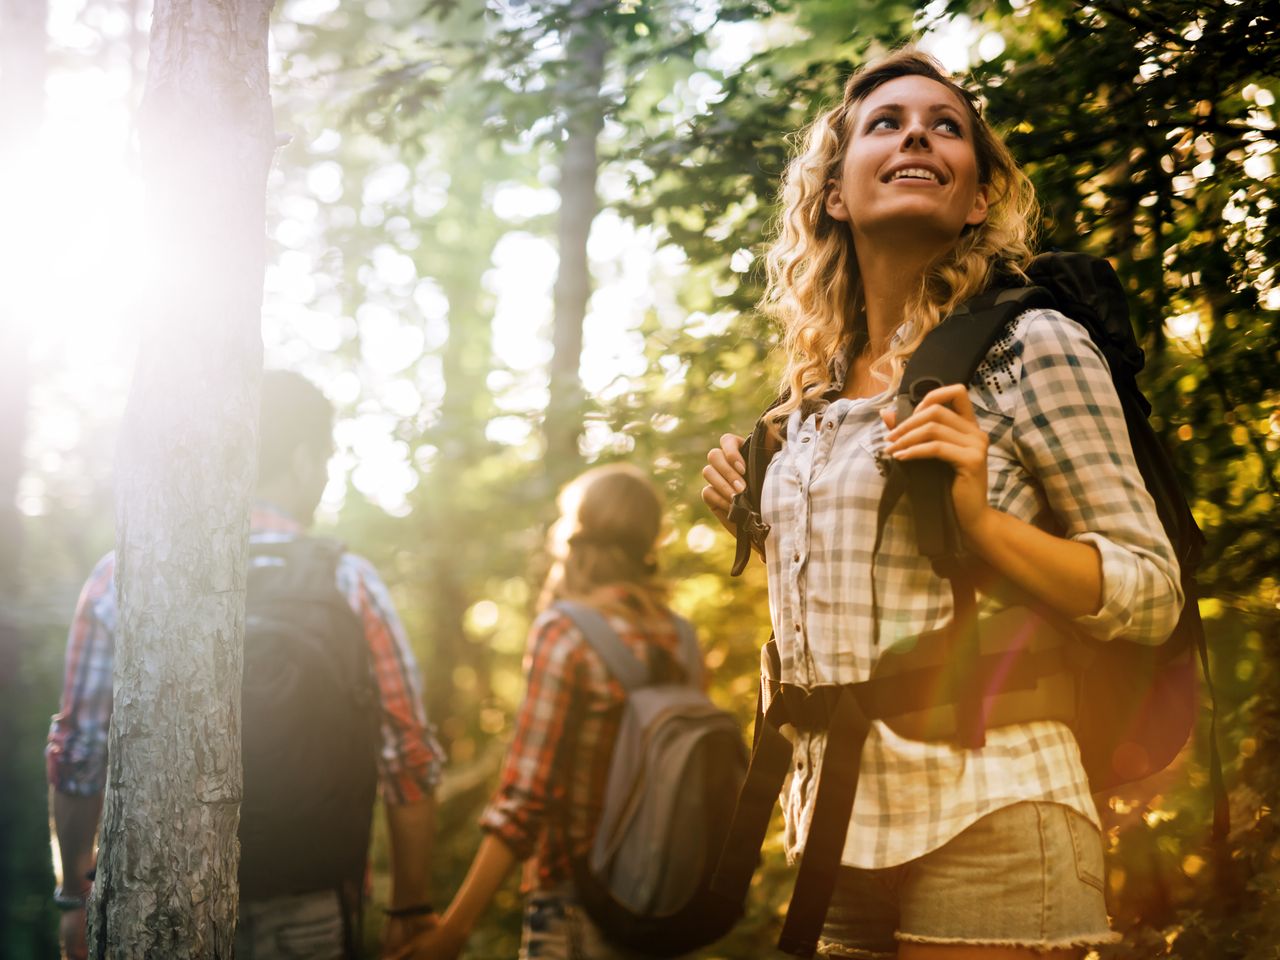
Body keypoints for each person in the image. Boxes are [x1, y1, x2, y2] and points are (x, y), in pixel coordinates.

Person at [700, 50, 1182, 959]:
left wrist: (983, 519)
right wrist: (753, 513)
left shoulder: (1033, 346)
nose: (917, 131)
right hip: (837, 829)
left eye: (946, 126)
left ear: (974, 199)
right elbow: (872, 608)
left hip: (995, 808)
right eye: (885, 123)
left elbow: (1152, 591)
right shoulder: (806, 405)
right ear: (835, 194)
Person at [46, 370, 445, 960]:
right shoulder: (350, 582)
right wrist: (411, 908)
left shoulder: (124, 573)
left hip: (158, 901)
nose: (328, 475)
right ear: (306, 457)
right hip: (311, 900)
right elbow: (408, 757)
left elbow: (80, 753)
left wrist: (77, 894)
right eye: (327, 458)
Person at [392, 464, 693, 960]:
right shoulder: (680, 638)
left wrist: (455, 928)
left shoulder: (567, 633)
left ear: (576, 533)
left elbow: (524, 800)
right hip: (664, 903)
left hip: (580, 908)